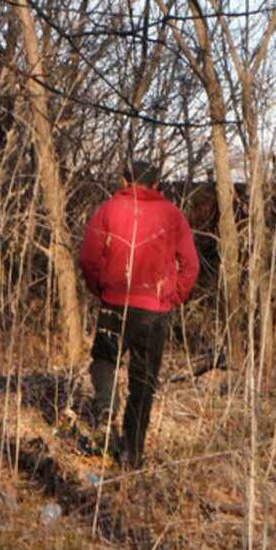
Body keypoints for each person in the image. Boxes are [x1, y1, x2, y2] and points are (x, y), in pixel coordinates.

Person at [77, 159, 200, 468]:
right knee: (143, 383)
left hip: (115, 305)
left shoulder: (107, 210)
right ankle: (132, 454)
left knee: (105, 362)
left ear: (123, 180)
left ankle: (107, 414)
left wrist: (102, 290)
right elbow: (191, 265)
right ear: (157, 185)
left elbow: (89, 259)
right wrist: (172, 297)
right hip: (154, 311)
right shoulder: (172, 215)